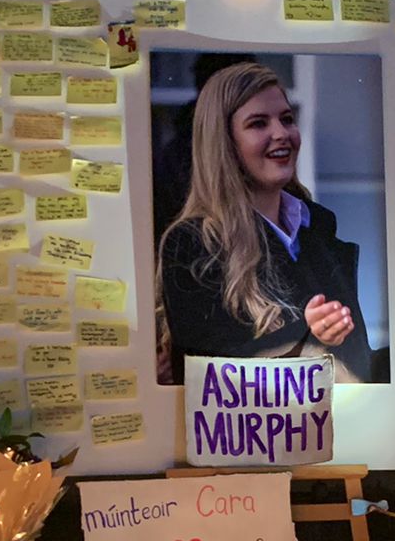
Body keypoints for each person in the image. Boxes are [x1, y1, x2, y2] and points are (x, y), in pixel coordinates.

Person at [156, 61, 376, 385]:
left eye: (287, 119)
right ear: (224, 143)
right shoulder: (192, 243)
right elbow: (207, 374)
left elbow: (361, 362)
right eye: (259, 123)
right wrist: (307, 336)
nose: (281, 133)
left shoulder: (317, 228)